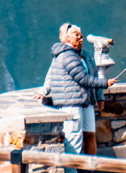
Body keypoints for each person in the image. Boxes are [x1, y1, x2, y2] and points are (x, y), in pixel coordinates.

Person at [37, 23, 115, 167]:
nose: (81, 38)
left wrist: (100, 97)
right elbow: (52, 77)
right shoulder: (64, 56)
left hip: (87, 101)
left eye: (81, 36)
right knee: (74, 139)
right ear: (66, 38)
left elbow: (94, 75)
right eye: (77, 36)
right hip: (72, 101)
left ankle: (89, 168)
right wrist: (43, 92)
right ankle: (75, 168)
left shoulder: (87, 56)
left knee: (90, 135)